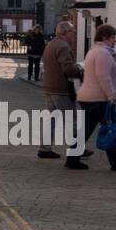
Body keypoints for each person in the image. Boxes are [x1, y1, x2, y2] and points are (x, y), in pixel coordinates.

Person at [74, 24, 116, 172]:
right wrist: (111, 95)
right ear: (104, 38)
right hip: (98, 98)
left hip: (89, 96)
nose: (115, 40)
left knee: (94, 128)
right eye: (112, 38)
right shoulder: (103, 53)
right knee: (110, 127)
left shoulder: (95, 50)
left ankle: (73, 158)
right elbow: (103, 76)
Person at [38, 20, 84, 164]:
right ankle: (77, 148)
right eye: (73, 32)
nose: (74, 35)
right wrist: (81, 70)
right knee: (71, 120)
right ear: (66, 33)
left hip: (49, 87)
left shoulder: (51, 44)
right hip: (61, 89)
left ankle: (44, 149)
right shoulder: (64, 47)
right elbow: (68, 69)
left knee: (51, 120)